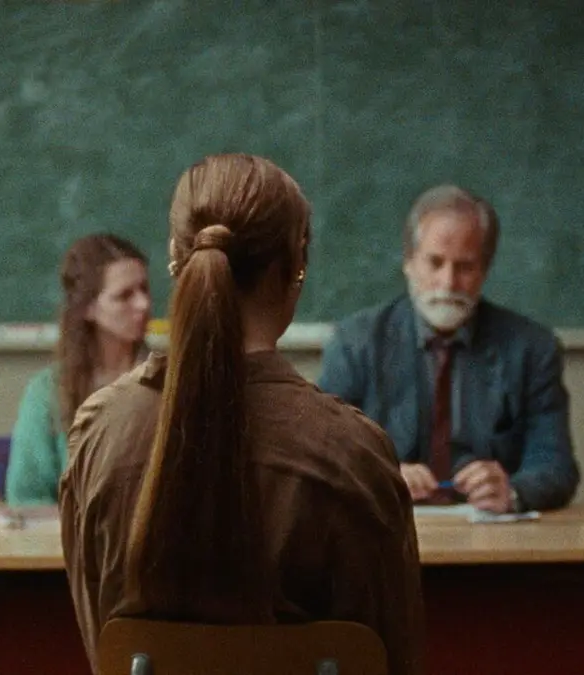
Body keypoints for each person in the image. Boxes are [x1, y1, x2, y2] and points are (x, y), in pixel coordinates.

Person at [58, 154, 424, 675]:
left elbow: (103, 646)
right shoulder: (354, 454)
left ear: (175, 260)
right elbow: (393, 656)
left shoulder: (101, 432)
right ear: (296, 267)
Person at [317, 184, 579, 514]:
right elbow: (323, 453)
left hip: (492, 535)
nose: (448, 283)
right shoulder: (356, 343)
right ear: (409, 261)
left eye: (465, 267)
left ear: (485, 270)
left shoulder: (531, 349)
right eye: (435, 263)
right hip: (385, 528)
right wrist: (380, 476)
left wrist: (513, 492)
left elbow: (556, 465)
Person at [4, 234, 151, 506]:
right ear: (88, 308)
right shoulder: (48, 393)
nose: (143, 304)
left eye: (144, 289)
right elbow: (26, 498)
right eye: (125, 296)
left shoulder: (169, 381)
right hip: (70, 533)